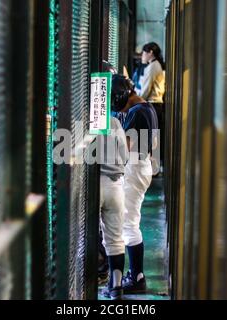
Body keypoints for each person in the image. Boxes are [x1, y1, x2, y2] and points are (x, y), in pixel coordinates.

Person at [110, 74, 158, 295]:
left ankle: (138, 277)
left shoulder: (138, 113)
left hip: (135, 168)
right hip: (140, 167)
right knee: (128, 222)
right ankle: (135, 275)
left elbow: (125, 148)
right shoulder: (144, 108)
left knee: (128, 224)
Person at [97, 80, 129, 300]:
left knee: (87, 233)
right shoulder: (115, 122)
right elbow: (125, 157)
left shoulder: (86, 123)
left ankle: (92, 275)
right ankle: (116, 287)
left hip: (95, 184)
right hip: (116, 184)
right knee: (116, 237)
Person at [135, 42, 165, 167]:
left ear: (150, 53)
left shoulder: (153, 66)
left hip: (152, 104)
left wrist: (136, 100)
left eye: (144, 52)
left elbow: (146, 90)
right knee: (154, 137)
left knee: (150, 137)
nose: (142, 55)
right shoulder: (156, 65)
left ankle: (152, 168)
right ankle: (155, 167)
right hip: (156, 105)